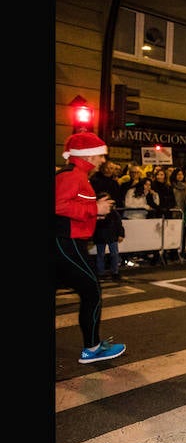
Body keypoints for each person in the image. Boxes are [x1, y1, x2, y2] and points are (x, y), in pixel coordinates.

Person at [55, 132, 126, 363]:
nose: (103, 160)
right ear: (88, 155)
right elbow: (58, 205)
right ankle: (92, 349)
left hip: (68, 241)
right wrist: (94, 209)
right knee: (91, 291)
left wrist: (95, 211)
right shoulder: (72, 175)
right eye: (101, 155)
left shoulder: (78, 175)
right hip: (66, 242)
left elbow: (71, 206)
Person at [92, 191, 125, 281]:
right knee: (101, 255)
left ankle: (115, 272)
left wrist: (121, 234)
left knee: (114, 254)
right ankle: (101, 273)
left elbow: (119, 223)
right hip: (101, 236)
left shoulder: (113, 212)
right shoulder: (98, 211)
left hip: (111, 235)